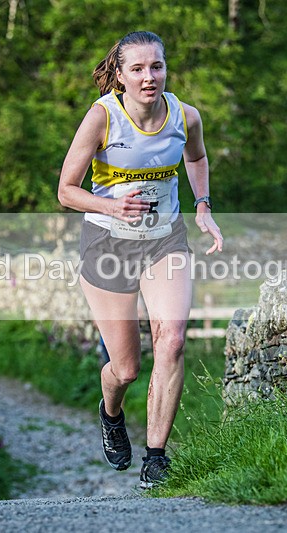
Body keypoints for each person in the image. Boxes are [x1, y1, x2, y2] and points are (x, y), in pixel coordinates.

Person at [57, 31, 223, 489]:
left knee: (170, 340)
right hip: (108, 244)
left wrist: (203, 205)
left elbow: (197, 156)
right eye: (137, 69)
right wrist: (112, 206)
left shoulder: (185, 116)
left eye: (157, 67)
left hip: (164, 240)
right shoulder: (102, 117)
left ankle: (156, 457)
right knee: (126, 369)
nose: (149, 77)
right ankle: (111, 413)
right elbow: (65, 191)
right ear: (119, 75)